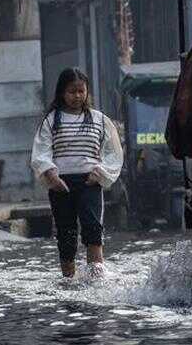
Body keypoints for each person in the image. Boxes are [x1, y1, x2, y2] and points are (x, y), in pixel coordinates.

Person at [31, 68, 123, 279]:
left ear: (87, 92)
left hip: (90, 182)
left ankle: (96, 280)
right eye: (72, 92)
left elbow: (114, 153)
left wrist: (99, 172)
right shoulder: (52, 120)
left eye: (81, 91)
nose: (77, 96)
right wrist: (51, 175)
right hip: (60, 184)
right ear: (62, 93)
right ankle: (68, 279)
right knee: (66, 234)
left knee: (93, 230)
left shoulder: (100, 120)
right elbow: (41, 151)